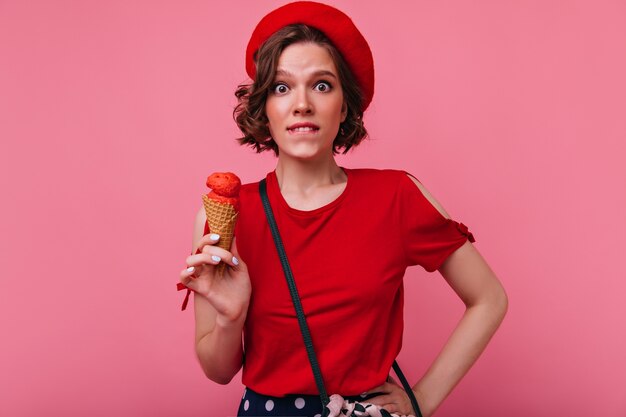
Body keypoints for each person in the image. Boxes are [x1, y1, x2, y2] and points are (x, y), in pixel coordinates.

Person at [178, 2, 508, 416]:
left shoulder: (397, 196)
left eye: (321, 85)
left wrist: (422, 400)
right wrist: (230, 316)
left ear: (346, 105)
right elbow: (218, 371)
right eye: (282, 87)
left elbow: (489, 298)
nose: (301, 104)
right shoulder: (226, 218)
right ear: (263, 107)